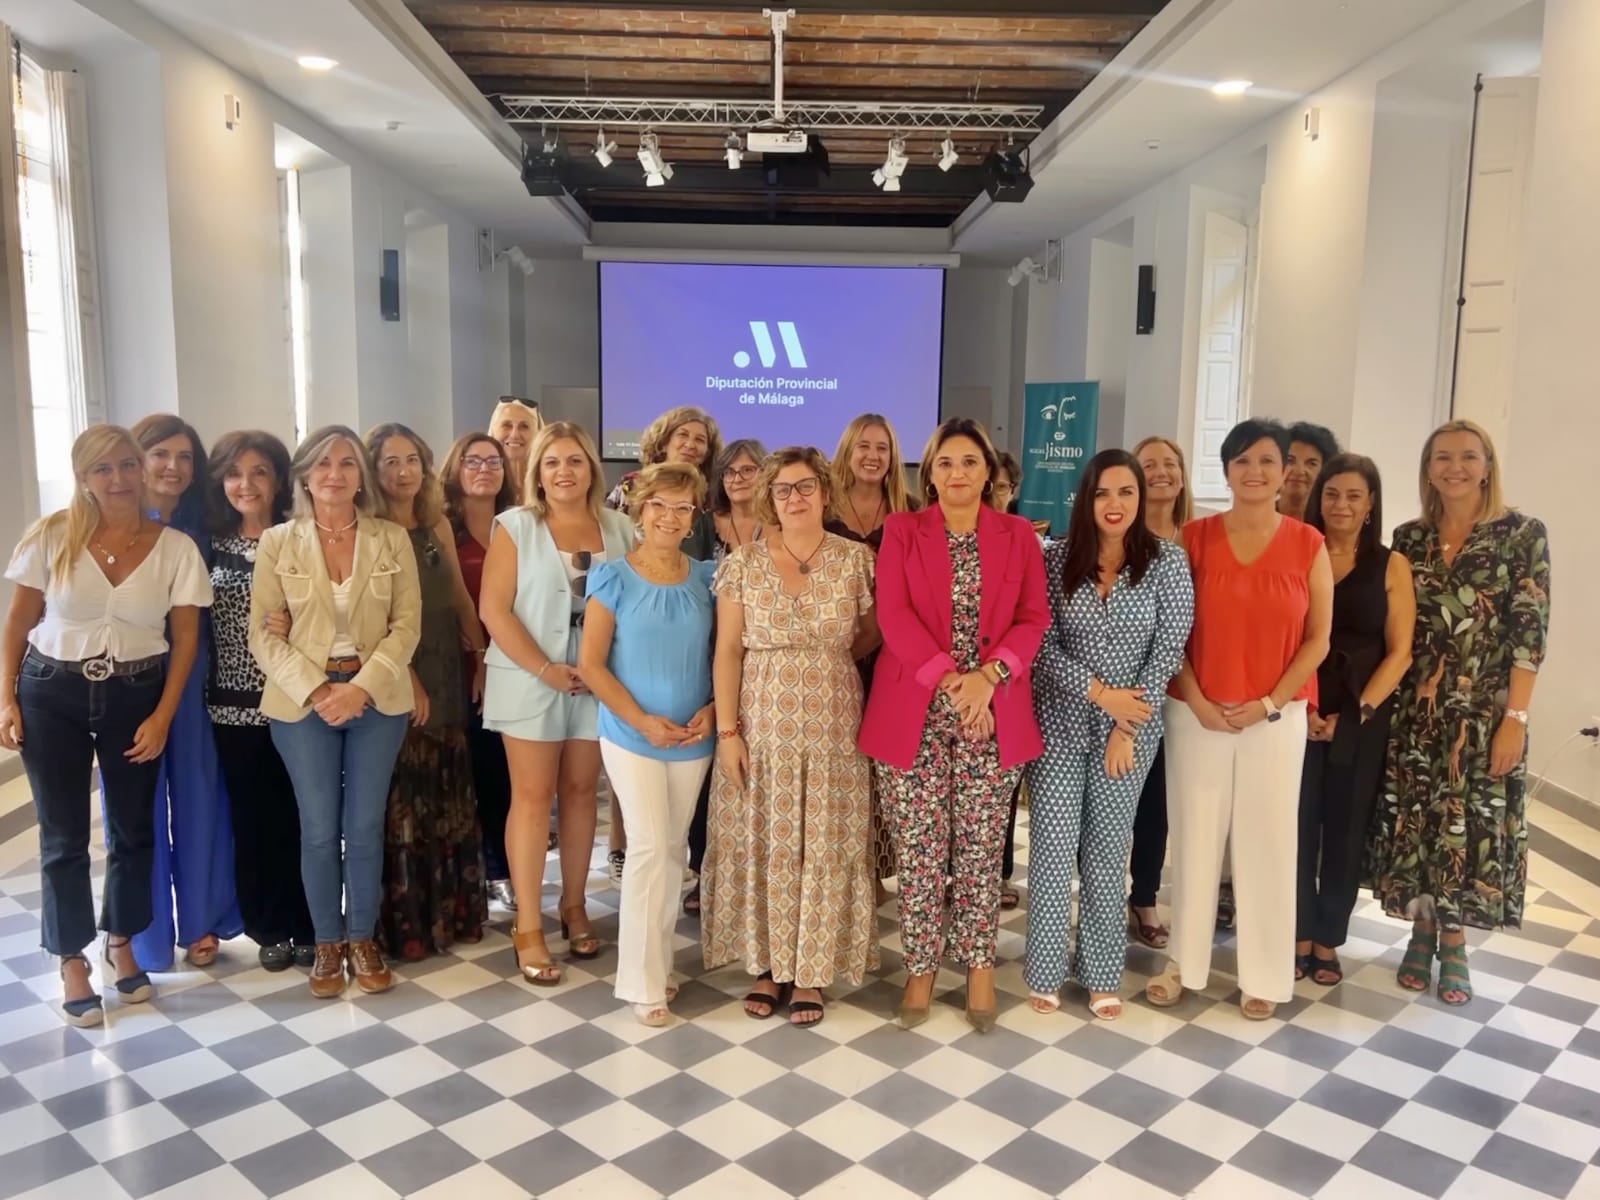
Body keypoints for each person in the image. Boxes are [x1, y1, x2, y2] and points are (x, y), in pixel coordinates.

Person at [1, 425, 212, 1025]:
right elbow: (17, 624)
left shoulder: (175, 549)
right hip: (52, 692)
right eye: (102, 470)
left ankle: (120, 941)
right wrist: (6, 700)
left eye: (126, 466)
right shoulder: (51, 537)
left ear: (141, 470)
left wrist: (164, 713)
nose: (117, 480)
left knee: (132, 830)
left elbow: (187, 638)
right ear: (83, 478)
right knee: (62, 836)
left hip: (136, 692)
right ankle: (71, 959)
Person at [860, 418, 1049, 1034]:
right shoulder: (903, 531)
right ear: (929, 471)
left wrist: (988, 678)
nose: (957, 473)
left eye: (969, 462)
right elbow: (894, 614)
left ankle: (978, 967)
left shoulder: (1018, 534)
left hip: (992, 713)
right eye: (945, 463)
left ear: (988, 471)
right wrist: (952, 679)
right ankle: (919, 966)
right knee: (919, 848)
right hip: (915, 709)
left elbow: (1033, 618)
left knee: (979, 849)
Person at [1147, 418, 1332, 1020]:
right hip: (1195, 712)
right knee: (1195, 838)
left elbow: (1318, 639)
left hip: (1275, 721)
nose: (1255, 472)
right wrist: (1197, 699)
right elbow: (1169, 629)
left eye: (1268, 461)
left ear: (1285, 473)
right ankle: (1185, 962)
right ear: (1226, 471)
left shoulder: (1307, 543)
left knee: (1268, 842)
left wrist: (1271, 703)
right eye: (1242, 461)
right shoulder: (1192, 539)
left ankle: (1265, 974)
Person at [1370, 420, 1549, 1006]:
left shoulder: (1522, 535)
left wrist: (1515, 721)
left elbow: (1529, 634)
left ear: (1488, 465)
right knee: (1422, 827)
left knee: (1471, 830)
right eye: (1442, 457)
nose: (1455, 467)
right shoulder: (1409, 538)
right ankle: (1421, 930)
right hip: (1418, 713)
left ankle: (1455, 939)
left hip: (1483, 715)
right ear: (1427, 469)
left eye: (1468, 457)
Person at [703, 447, 878, 1027]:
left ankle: (811, 971)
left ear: (825, 493)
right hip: (760, 721)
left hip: (833, 725)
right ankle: (767, 965)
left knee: (824, 841)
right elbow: (728, 650)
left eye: (805, 487)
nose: (795, 498)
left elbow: (870, 634)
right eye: (783, 490)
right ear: (768, 499)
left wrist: (822, 665)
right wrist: (728, 731)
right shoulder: (743, 564)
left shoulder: (857, 561)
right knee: (766, 840)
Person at [249, 426, 421, 999]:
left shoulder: (391, 538)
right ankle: (327, 944)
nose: (335, 474)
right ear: (304, 476)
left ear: (361, 476)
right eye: (323, 464)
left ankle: (362, 938)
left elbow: (406, 627)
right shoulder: (278, 542)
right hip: (303, 704)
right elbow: (263, 636)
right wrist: (321, 690)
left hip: (377, 698)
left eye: (347, 463)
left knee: (364, 828)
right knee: (320, 830)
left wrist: (362, 689)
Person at [1024, 451, 1193, 1020]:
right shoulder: (1054, 561)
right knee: (1050, 850)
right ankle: (1046, 968)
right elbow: (1039, 648)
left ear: (1141, 498)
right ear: (1085, 499)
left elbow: (1168, 649)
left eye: (1125, 492)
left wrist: (1125, 721)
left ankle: (1100, 973)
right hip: (1061, 722)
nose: (1114, 505)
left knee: (1105, 854)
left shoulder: (1167, 563)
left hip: (1133, 732)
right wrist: (1099, 694)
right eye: (1102, 494)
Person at [481, 422, 634, 985]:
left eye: (574, 461)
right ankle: (528, 923)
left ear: (591, 468)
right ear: (537, 473)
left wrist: (600, 669)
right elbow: (494, 610)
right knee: (532, 795)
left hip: (597, 680)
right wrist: (545, 668)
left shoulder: (621, 528)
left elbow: (635, 605)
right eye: (551, 463)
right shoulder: (515, 527)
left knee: (578, 794)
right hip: (530, 675)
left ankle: (575, 906)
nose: (564, 472)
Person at [578, 463, 717, 1024]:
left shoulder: (709, 577)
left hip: (693, 735)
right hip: (631, 735)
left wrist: (712, 710)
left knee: (673, 851)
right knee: (648, 846)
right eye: (660, 504)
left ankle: (656, 969)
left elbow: (720, 656)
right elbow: (591, 664)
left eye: (682, 508)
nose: (670, 516)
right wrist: (641, 720)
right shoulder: (613, 577)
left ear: (693, 518)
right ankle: (640, 984)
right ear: (640, 509)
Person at [366, 423, 488, 960]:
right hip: (396, 672)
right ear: (373, 469)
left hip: (447, 664)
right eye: (390, 461)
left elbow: (460, 596)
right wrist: (406, 677)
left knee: (449, 788)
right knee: (403, 797)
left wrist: (483, 659)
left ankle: (453, 913)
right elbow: (375, 618)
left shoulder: (435, 520)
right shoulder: (367, 529)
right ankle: (409, 922)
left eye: (411, 459)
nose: (403, 471)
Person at [128, 413, 242, 972]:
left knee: (201, 797)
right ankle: (142, 935)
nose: (173, 467)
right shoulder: (115, 525)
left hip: (197, 673)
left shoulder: (206, 525)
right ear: (138, 460)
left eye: (185, 457)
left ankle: (202, 921)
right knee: (137, 807)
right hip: (131, 678)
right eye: (160, 455)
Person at [1296, 454, 1415, 985]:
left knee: (1344, 829)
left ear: (1371, 506)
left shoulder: (1391, 565)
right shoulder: (1300, 551)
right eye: (1332, 494)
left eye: (1354, 496)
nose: (1341, 505)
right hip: (1297, 706)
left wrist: (1356, 712)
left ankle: (1328, 940)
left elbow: (1401, 652)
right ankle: (1297, 932)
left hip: (1363, 713)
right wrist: (1305, 707)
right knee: (1296, 828)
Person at [204, 431, 314, 972]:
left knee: (303, 818)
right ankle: (268, 925)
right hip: (232, 707)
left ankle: (309, 923)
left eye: (258, 472)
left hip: (296, 700)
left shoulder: (303, 539)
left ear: (279, 480)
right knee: (253, 822)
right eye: (233, 473)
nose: (245, 484)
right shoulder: (208, 545)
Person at [604, 405, 721, 881]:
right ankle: (619, 851)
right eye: (683, 435)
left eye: (701, 439)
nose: (692, 444)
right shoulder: (628, 494)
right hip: (634, 706)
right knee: (648, 836)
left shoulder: (708, 536)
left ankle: (661, 947)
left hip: (693, 712)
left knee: (670, 841)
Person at [825, 414, 913, 899]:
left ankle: (875, 870)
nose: (872, 456)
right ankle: (835, 864)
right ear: (847, 451)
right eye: (863, 446)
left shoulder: (910, 511)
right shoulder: (823, 510)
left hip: (891, 658)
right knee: (838, 764)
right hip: (833, 653)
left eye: (882, 447)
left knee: (880, 765)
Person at [684, 438, 768, 918]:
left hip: (759, 661)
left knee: (747, 772)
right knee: (704, 772)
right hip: (701, 656)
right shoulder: (700, 526)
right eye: (730, 472)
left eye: (749, 470)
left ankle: (747, 877)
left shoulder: (778, 527)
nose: (738, 479)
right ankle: (702, 873)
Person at [443, 432, 519, 911]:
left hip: (515, 665)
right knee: (465, 774)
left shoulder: (520, 527)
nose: (484, 469)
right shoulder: (442, 532)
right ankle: (472, 873)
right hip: (457, 667)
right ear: (455, 470)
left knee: (504, 777)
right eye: (472, 461)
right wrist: (477, 660)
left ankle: (503, 870)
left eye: (493, 461)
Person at [1126, 435, 1193, 949]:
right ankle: (1102, 893)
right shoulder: (1113, 533)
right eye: (1149, 465)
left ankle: (1144, 896)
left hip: (1184, 692)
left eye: (1170, 464)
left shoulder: (1200, 537)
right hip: (1116, 694)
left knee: (1156, 802)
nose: (1162, 472)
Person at [1279, 422, 1340, 523]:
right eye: (1290, 460)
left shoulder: (1330, 524)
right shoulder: (1258, 517)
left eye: (1311, 463)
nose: (1299, 471)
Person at [490, 397, 543, 501]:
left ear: (537, 434)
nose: (514, 435)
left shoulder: (549, 484)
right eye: (507, 425)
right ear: (493, 432)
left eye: (524, 426)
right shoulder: (484, 482)